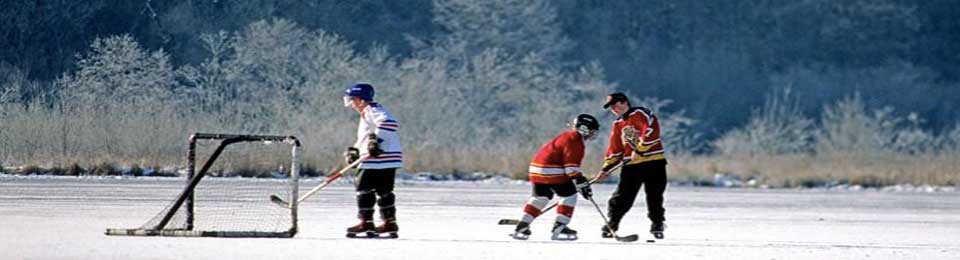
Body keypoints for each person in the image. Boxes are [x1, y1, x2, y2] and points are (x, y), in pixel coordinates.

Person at [511, 114, 600, 241]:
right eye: (592, 130)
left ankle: (522, 225)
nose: (593, 134)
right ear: (584, 129)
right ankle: (560, 226)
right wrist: (580, 182)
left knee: (540, 197)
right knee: (569, 195)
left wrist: (579, 181)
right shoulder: (576, 141)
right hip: (551, 170)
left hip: (536, 170)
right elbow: (571, 167)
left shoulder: (566, 136)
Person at [596, 92, 669, 240]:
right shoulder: (618, 124)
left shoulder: (641, 113)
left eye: (615, 106)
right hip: (632, 165)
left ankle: (657, 223)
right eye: (611, 108)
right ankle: (613, 223)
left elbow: (651, 131)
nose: (614, 110)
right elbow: (615, 149)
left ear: (624, 102)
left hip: (654, 162)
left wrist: (640, 150)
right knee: (622, 195)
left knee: (654, 195)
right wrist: (606, 169)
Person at [342, 83, 403, 239]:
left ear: (362, 100)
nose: (351, 104)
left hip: (377, 159)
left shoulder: (372, 110)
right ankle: (389, 222)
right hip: (388, 159)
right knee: (384, 192)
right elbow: (368, 135)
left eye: (353, 100)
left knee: (364, 188)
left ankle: (366, 222)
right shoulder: (368, 112)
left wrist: (376, 143)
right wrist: (355, 149)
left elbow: (389, 123)